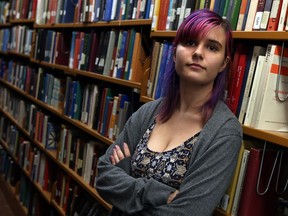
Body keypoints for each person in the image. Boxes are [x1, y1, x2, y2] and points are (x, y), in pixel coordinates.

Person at [96, 9, 243, 216]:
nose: (198, 52)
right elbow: (103, 177)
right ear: (175, 53)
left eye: (211, 47)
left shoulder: (225, 133)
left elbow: (188, 212)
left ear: (223, 64)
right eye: (190, 42)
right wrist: (156, 193)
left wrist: (126, 180)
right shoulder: (147, 112)